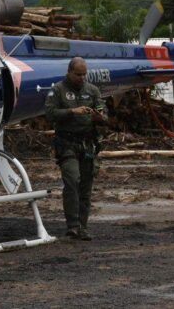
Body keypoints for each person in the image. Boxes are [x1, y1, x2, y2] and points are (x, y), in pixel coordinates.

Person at [45, 57, 107, 241]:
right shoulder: (58, 90)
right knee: (72, 180)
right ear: (69, 72)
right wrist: (72, 111)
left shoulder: (92, 90)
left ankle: (83, 226)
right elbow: (50, 114)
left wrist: (99, 117)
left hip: (88, 144)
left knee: (86, 186)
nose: (82, 78)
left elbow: (104, 114)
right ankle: (72, 225)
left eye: (84, 74)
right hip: (67, 144)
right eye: (78, 74)